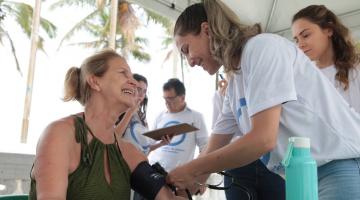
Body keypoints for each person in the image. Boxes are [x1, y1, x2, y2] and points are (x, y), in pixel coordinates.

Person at [166, 1, 360, 200]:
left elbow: (263, 139)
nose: (189, 61)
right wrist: (195, 180)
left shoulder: (262, 47)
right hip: (299, 176)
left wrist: (190, 170)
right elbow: (217, 140)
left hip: (338, 164)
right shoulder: (234, 84)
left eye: (187, 49)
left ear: (206, 30)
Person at [29, 49, 185, 200]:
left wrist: (191, 177)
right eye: (123, 73)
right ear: (95, 82)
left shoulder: (128, 152)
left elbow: (168, 198)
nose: (133, 82)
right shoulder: (61, 134)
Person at [292, 5, 360, 113]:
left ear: (329, 30)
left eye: (305, 35)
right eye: (296, 40)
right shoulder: (302, 77)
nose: (300, 45)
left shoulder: (356, 68)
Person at [148, 78, 208, 173]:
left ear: (182, 98)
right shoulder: (159, 116)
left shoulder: (196, 117)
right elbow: (148, 144)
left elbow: (204, 148)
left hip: (179, 175)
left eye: (170, 99)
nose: (166, 102)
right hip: (153, 170)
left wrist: (200, 176)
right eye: (165, 98)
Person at [115, 73, 171, 155]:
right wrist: (129, 112)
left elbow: (145, 149)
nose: (141, 94)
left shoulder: (141, 116)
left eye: (144, 91)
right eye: (139, 89)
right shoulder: (119, 110)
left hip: (138, 163)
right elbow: (113, 138)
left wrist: (161, 144)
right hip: (121, 164)